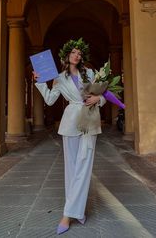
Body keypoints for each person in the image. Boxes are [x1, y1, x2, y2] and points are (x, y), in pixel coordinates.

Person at [33, 38, 106, 235]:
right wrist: (39, 81)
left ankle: (67, 214)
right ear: (67, 55)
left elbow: (103, 95)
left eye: (79, 53)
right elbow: (49, 100)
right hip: (71, 123)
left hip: (90, 121)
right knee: (72, 169)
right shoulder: (59, 78)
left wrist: (99, 98)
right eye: (73, 52)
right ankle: (78, 210)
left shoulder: (90, 73)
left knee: (85, 166)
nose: (76, 55)